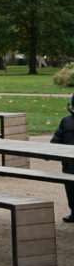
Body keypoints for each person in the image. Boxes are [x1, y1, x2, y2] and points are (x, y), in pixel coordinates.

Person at [50, 95, 74, 223]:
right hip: (69, 164)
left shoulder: (66, 120)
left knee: (71, 188)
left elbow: (55, 141)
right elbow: (56, 140)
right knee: (71, 188)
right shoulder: (66, 121)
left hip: (69, 165)